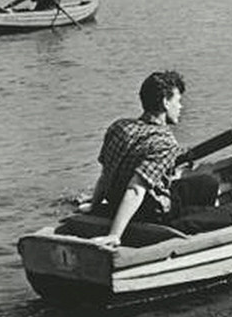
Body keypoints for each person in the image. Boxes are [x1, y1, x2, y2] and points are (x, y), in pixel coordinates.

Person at [83, 70, 218, 247]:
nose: (181, 107)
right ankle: (196, 232)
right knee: (210, 183)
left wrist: (94, 207)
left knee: (200, 183)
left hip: (114, 202)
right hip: (151, 212)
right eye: (178, 101)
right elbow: (136, 189)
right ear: (165, 102)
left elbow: (105, 175)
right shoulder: (163, 141)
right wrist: (114, 235)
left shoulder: (119, 127)